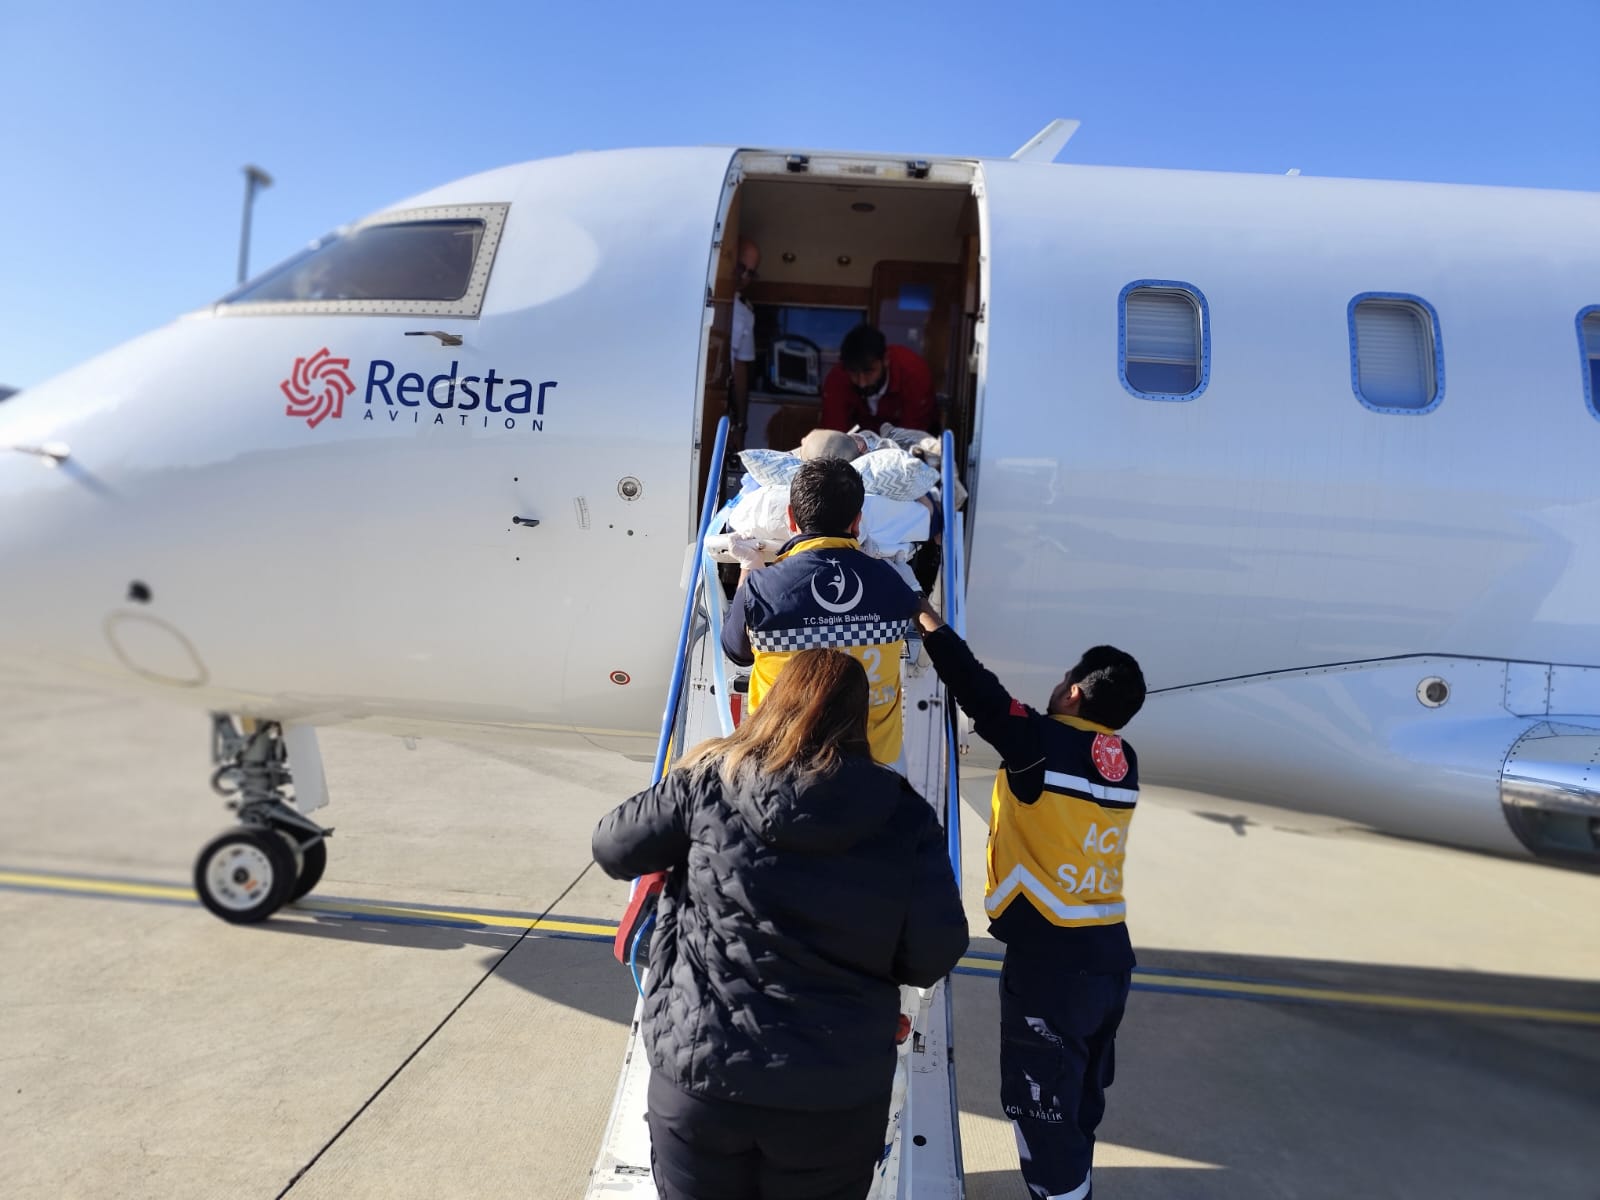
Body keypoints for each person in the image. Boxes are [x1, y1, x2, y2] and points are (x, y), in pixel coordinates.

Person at [592, 649, 969, 1200]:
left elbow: (613, 846)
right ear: (862, 718)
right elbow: (934, 954)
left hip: (703, 1075)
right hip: (832, 1096)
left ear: (775, 702)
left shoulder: (709, 781)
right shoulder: (904, 814)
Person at [914, 602, 1146, 1200]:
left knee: (1039, 1109)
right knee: (1078, 1107)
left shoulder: (1040, 743)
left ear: (1073, 692)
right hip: (1108, 962)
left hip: (1053, 966)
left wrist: (929, 623)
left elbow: (978, 691)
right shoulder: (1122, 763)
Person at [722, 456, 921, 766]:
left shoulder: (761, 588)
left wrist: (750, 568)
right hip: (876, 776)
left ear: (790, 519)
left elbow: (737, 652)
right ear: (857, 522)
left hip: (779, 768)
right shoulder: (892, 583)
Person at [819, 323, 937, 434]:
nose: (862, 383)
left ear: (885, 359)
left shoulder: (914, 375)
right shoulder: (837, 378)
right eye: (854, 373)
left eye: (869, 371)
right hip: (858, 444)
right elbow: (834, 434)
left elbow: (913, 438)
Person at [730, 237, 761, 434]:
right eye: (741, 267)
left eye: (751, 272)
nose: (744, 277)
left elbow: (740, 370)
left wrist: (741, 422)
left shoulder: (745, 313)